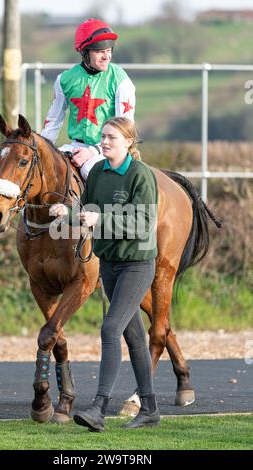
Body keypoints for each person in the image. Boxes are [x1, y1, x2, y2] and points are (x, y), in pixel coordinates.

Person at [49, 117, 160, 431]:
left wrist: (100, 218)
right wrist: (67, 213)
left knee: (110, 329)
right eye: (103, 136)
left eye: (111, 137)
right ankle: (150, 409)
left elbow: (143, 224)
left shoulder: (141, 175)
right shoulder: (97, 172)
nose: (105, 141)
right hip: (109, 264)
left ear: (128, 141)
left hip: (137, 265)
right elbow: (87, 211)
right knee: (134, 337)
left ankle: (98, 406)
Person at [41, 18, 135, 180]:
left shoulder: (121, 80)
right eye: (100, 51)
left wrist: (94, 151)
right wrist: (42, 150)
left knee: (89, 170)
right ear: (85, 53)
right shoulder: (65, 79)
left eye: (109, 50)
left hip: (109, 148)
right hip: (75, 146)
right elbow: (53, 120)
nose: (107, 56)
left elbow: (125, 129)